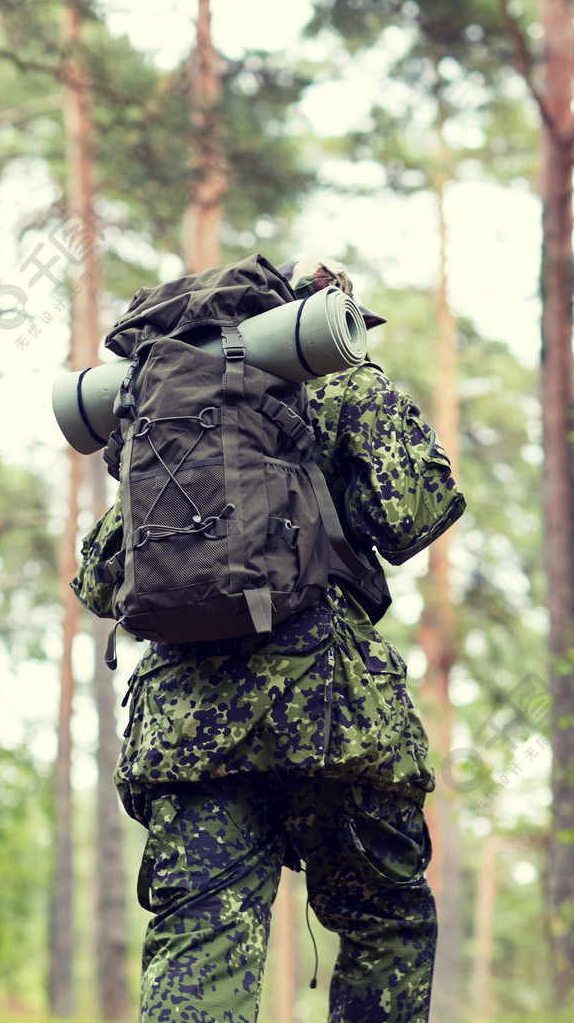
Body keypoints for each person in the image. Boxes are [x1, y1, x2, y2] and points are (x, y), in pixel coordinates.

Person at [72, 256, 465, 1023]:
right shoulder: (335, 384)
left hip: (186, 728)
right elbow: (415, 513)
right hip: (332, 710)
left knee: (200, 943)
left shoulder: (169, 407)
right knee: (384, 922)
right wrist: (366, 376)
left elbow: (96, 583)